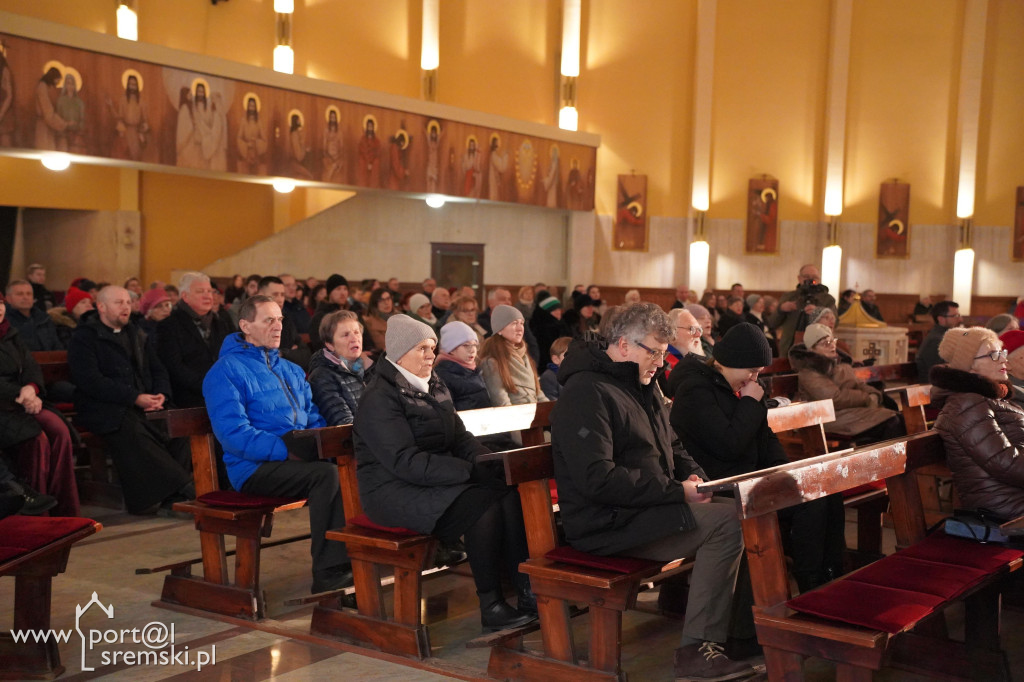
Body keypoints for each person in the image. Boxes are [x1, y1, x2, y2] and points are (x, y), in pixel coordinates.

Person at [550, 303, 755, 680]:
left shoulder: (643, 383)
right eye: (655, 352)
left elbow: (672, 445)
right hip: (606, 523)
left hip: (644, 510)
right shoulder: (585, 392)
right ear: (623, 345)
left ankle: (739, 635)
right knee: (727, 523)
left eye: (664, 353)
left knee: (741, 504)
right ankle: (696, 649)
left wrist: (695, 477)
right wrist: (676, 492)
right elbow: (597, 479)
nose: (661, 363)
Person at [352, 315, 536, 631]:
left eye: (433, 347)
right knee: (483, 506)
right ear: (400, 354)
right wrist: (468, 471)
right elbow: (405, 461)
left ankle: (528, 592)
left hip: (431, 480)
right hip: (391, 491)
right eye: (422, 348)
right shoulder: (379, 397)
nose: (431, 355)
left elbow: (459, 436)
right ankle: (491, 605)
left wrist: (487, 462)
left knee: (507, 490)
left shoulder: (433, 383)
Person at [672, 322, 845, 591]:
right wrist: (750, 402)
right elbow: (729, 445)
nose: (754, 378)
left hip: (753, 478)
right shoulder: (695, 391)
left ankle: (831, 578)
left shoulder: (743, 388)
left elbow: (766, 438)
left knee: (827, 492)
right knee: (810, 504)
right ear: (729, 362)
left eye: (758, 371)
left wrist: (785, 474)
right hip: (721, 484)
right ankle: (809, 585)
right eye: (751, 370)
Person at [203, 295, 351, 594]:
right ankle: (329, 573)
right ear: (246, 326)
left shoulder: (291, 369)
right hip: (253, 469)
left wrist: (319, 444)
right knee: (326, 475)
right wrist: (288, 450)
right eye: (269, 320)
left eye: (280, 319)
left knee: (352, 466)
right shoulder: (226, 371)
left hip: (295, 458)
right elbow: (233, 434)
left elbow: (313, 416)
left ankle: (362, 556)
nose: (278, 326)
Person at [69, 286, 193, 514]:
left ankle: (171, 497)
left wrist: (161, 395)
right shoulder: (85, 337)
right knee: (134, 430)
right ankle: (184, 486)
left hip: (141, 402)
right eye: (119, 303)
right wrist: (134, 397)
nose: (126, 307)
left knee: (177, 426)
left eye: (128, 302)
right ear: (101, 307)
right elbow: (91, 380)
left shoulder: (136, 333)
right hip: (103, 406)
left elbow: (158, 369)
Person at [929, 327, 1024, 521]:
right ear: (969, 365)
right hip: (1005, 510)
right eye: (993, 355)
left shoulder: (990, 397)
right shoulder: (966, 404)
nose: (1004, 360)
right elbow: (1005, 463)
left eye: (1002, 353)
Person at [0, 292, 79, 517]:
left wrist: (31, 388)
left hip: (25, 399)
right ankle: (38, 511)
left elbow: (31, 366)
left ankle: (65, 508)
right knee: (38, 439)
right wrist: (20, 393)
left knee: (59, 430)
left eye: (0, 303)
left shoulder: (10, 333)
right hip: (5, 405)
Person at [789, 324, 905, 444]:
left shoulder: (840, 363)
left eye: (832, 341)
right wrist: (866, 398)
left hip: (849, 412)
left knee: (898, 418)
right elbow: (834, 398)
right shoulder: (809, 371)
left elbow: (858, 384)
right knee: (892, 422)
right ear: (812, 349)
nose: (832, 346)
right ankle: (887, 456)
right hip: (828, 418)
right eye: (825, 343)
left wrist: (874, 394)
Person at [156, 272, 235, 408]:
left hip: (223, 396)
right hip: (187, 401)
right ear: (185, 296)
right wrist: (208, 385)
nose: (208, 296)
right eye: (200, 291)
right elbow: (174, 367)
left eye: (210, 291)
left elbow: (231, 356)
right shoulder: (169, 326)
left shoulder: (220, 323)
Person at [309, 310, 372, 426]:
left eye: (357, 332)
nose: (354, 338)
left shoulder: (369, 368)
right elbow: (344, 424)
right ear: (330, 345)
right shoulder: (322, 377)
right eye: (346, 335)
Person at [481, 305, 548, 407]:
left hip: (534, 413)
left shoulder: (525, 357)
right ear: (499, 329)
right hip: (516, 415)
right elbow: (501, 402)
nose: (520, 328)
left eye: (521, 323)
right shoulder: (492, 362)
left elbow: (538, 393)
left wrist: (550, 410)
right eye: (514, 323)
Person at [769, 264, 836, 358]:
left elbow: (835, 321)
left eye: (814, 277)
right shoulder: (789, 297)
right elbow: (772, 323)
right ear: (799, 278)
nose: (810, 280)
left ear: (819, 280)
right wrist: (781, 309)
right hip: (789, 347)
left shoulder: (827, 299)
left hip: (818, 349)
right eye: (806, 277)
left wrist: (819, 312)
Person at [258, 276, 311, 370]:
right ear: (261, 295)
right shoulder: (253, 322)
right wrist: (290, 352)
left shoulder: (286, 320)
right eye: (275, 294)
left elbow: (306, 355)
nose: (280, 299)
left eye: (282, 295)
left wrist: (283, 353)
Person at [5, 280, 63, 351]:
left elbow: (57, 347)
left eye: (29, 294)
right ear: (8, 299)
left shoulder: (44, 319)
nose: (25, 297)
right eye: (20, 294)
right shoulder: (4, 321)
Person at [916, 300, 961, 383]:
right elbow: (939, 372)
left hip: (943, 381)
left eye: (958, 315)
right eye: (954, 316)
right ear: (941, 319)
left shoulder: (945, 336)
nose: (960, 319)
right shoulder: (937, 339)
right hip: (933, 385)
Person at [539, 335, 571, 400]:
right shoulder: (549, 377)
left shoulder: (578, 375)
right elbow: (551, 403)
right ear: (556, 359)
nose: (573, 358)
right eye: (568, 355)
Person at [363, 287, 395, 352]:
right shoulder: (370, 322)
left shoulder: (399, 318)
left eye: (388, 299)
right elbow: (384, 346)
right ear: (375, 304)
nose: (386, 303)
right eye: (381, 300)